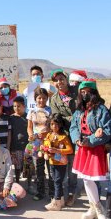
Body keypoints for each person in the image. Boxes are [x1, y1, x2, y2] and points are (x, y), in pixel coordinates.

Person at [70, 79, 111, 219]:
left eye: (88, 91)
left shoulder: (101, 109)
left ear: (94, 92)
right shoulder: (79, 110)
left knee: (91, 179)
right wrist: (77, 139)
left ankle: (99, 209)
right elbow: (73, 127)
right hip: (82, 148)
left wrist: (91, 140)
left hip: (94, 148)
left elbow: (107, 130)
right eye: (82, 91)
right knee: (86, 179)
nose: (85, 94)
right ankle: (94, 208)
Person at [49, 69, 78, 206]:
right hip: (63, 138)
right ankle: (61, 194)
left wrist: (74, 118)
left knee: (73, 166)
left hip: (78, 135)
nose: (59, 82)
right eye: (56, 80)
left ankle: (72, 193)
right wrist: (74, 117)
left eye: (61, 79)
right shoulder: (54, 99)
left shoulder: (76, 92)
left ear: (66, 79)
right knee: (62, 166)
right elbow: (57, 118)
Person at [27, 87, 53, 201]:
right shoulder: (31, 111)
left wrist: (46, 133)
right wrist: (31, 135)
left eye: (43, 98)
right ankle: (40, 192)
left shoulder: (51, 110)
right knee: (39, 168)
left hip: (49, 142)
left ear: (47, 98)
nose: (41, 100)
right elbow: (29, 127)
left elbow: (54, 127)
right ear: (35, 99)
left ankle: (53, 193)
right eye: (39, 98)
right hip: (36, 144)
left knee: (51, 168)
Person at [43, 113, 73, 211]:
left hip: (61, 163)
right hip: (52, 162)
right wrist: (44, 149)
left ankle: (56, 202)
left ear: (60, 125)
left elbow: (70, 150)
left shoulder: (63, 137)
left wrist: (57, 151)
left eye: (56, 124)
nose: (54, 126)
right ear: (49, 125)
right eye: (52, 124)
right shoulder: (48, 135)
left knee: (57, 182)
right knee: (55, 180)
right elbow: (45, 145)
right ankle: (61, 200)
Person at [9, 96, 28, 183]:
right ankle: (17, 182)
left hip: (27, 147)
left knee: (27, 166)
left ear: (24, 106)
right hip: (16, 146)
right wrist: (9, 148)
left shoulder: (28, 117)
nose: (16, 108)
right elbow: (10, 133)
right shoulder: (11, 118)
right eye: (14, 106)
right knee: (17, 166)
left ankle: (29, 184)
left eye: (18, 106)